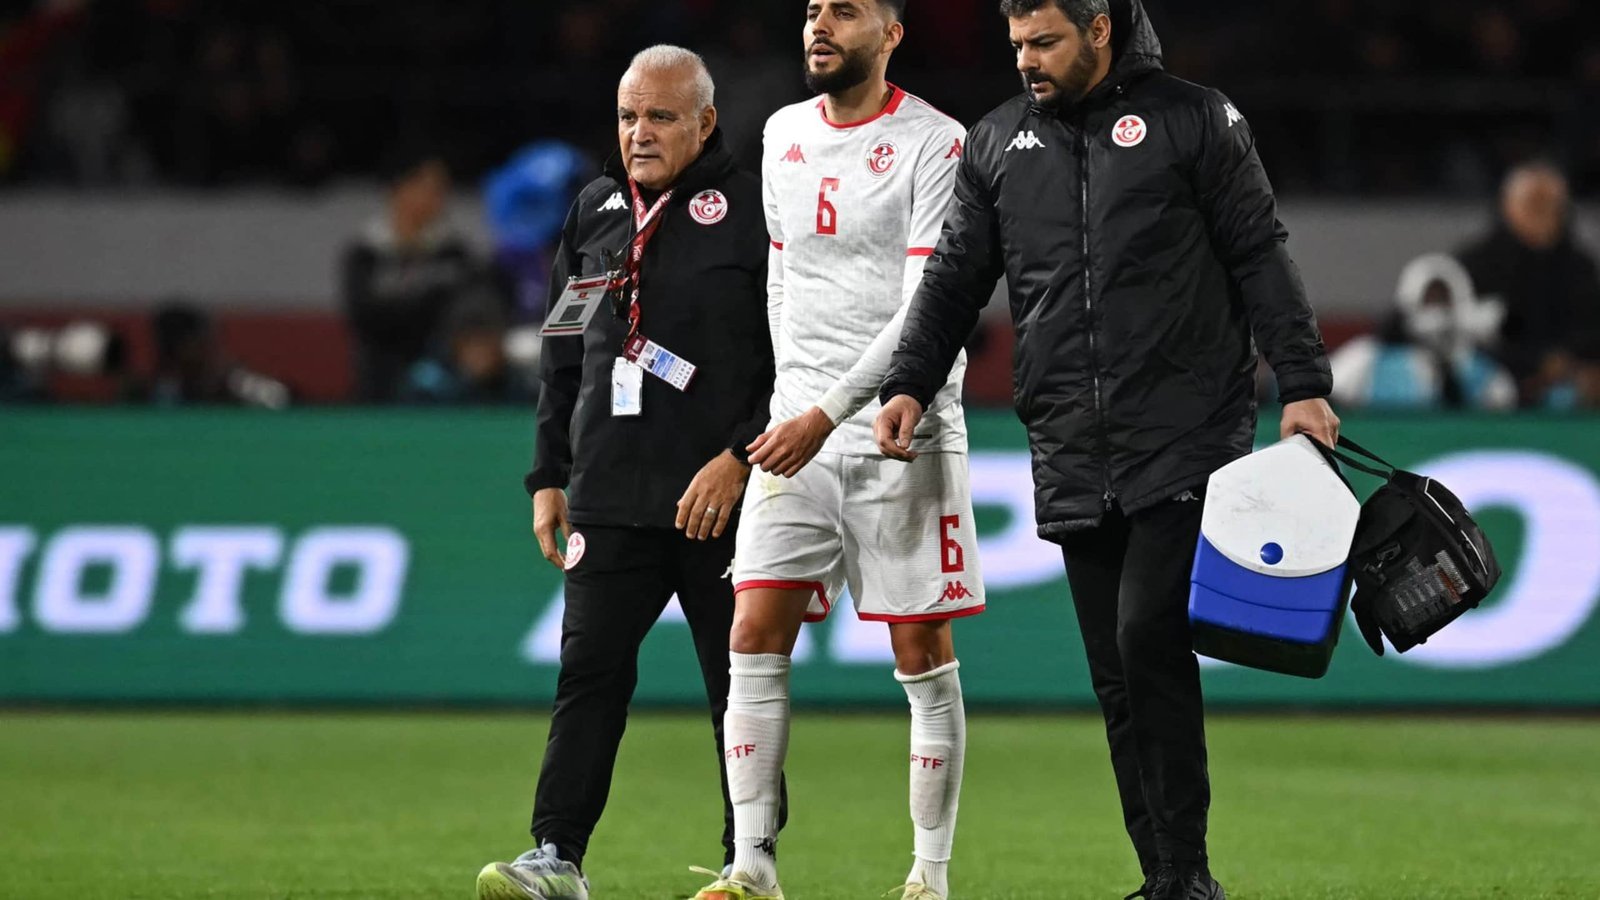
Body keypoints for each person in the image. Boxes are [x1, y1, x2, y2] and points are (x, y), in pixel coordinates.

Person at [874, 2, 1339, 899]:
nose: (1026, 62)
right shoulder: (998, 142)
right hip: (1071, 441)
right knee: (1117, 676)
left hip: (1186, 432)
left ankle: (1186, 874)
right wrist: (907, 382)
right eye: (1015, 45)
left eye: (1043, 42)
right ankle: (1166, 876)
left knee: (1145, 637)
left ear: (1100, 29)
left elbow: (1258, 252)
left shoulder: (1195, 118)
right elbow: (954, 280)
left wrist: (1303, 380)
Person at [475, 46, 783, 900]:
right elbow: (563, 349)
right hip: (610, 492)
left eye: (659, 117)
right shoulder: (596, 209)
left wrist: (741, 457)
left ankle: (750, 861)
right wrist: (548, 473)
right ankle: (556, 856)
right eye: (626, 117)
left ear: (705, 121)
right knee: (589, 676)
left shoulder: (754, 209)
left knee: (740, 686)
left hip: (717, 495)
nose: (638, 134)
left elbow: (791, 354)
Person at [693, 3, 979, 900]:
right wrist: (789, 407)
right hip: (796, 432)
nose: (820, 24)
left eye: (845, 10)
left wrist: (828, 409)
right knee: (753, 630)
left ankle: (928, 877)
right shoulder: (780, 132)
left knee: (921, 652)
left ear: (891, 32)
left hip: (902, 425)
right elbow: (783, 279)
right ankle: (752, 868)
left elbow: (927, 303)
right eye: (813, 9)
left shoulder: (938, 142)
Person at [1457, 161, 1600, 408]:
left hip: (1568, 383)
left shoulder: (1580, 267)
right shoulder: (1476, 265)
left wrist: (1568, 361)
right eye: (1534, 204)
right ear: (1508, 207)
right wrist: (1535, 363)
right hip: (1492, 385)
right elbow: (1461, 336)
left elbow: (1590, 328)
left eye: (1553, 206)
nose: (1545, 214)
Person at [340, 150, 479, 402]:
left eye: (442, 190)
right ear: (400, 188)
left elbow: (460, 317)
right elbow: (364, 316)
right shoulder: (365, 253)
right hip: (377, 384)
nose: (438, 198)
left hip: (443, 387)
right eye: (429, 187)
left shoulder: (454, 254)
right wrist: (425, 301)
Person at [1329, 253, 1516, 411]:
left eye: (1444, 301)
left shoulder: (1484, 373)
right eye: (1430, 300)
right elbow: (1327, 396)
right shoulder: (1368, 358)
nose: (1437, 312)